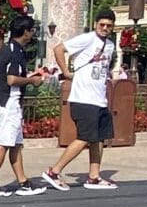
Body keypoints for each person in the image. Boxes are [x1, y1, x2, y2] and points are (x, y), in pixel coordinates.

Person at [42, 10, 119, 191]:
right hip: (83, 98)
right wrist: (66, 72)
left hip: (99, 98)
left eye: (109, 26)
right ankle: (54, 171)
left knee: (99, 139)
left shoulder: (110, 46)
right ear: (95, 24)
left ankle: (94, 176)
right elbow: (59, 48)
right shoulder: (87, 39)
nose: (105, 28)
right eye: (102, 25)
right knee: (84, 137)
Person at [0, 14, 44, 198]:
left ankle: (23, 182)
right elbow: (12, 79)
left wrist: (31, 75)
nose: (32, 34)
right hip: (8, 102)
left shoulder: (11, 49)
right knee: (4, 144)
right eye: (31, 30)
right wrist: (32, 81)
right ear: (25, 31)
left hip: (4, 102)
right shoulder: (14, 52)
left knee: (15, 144)